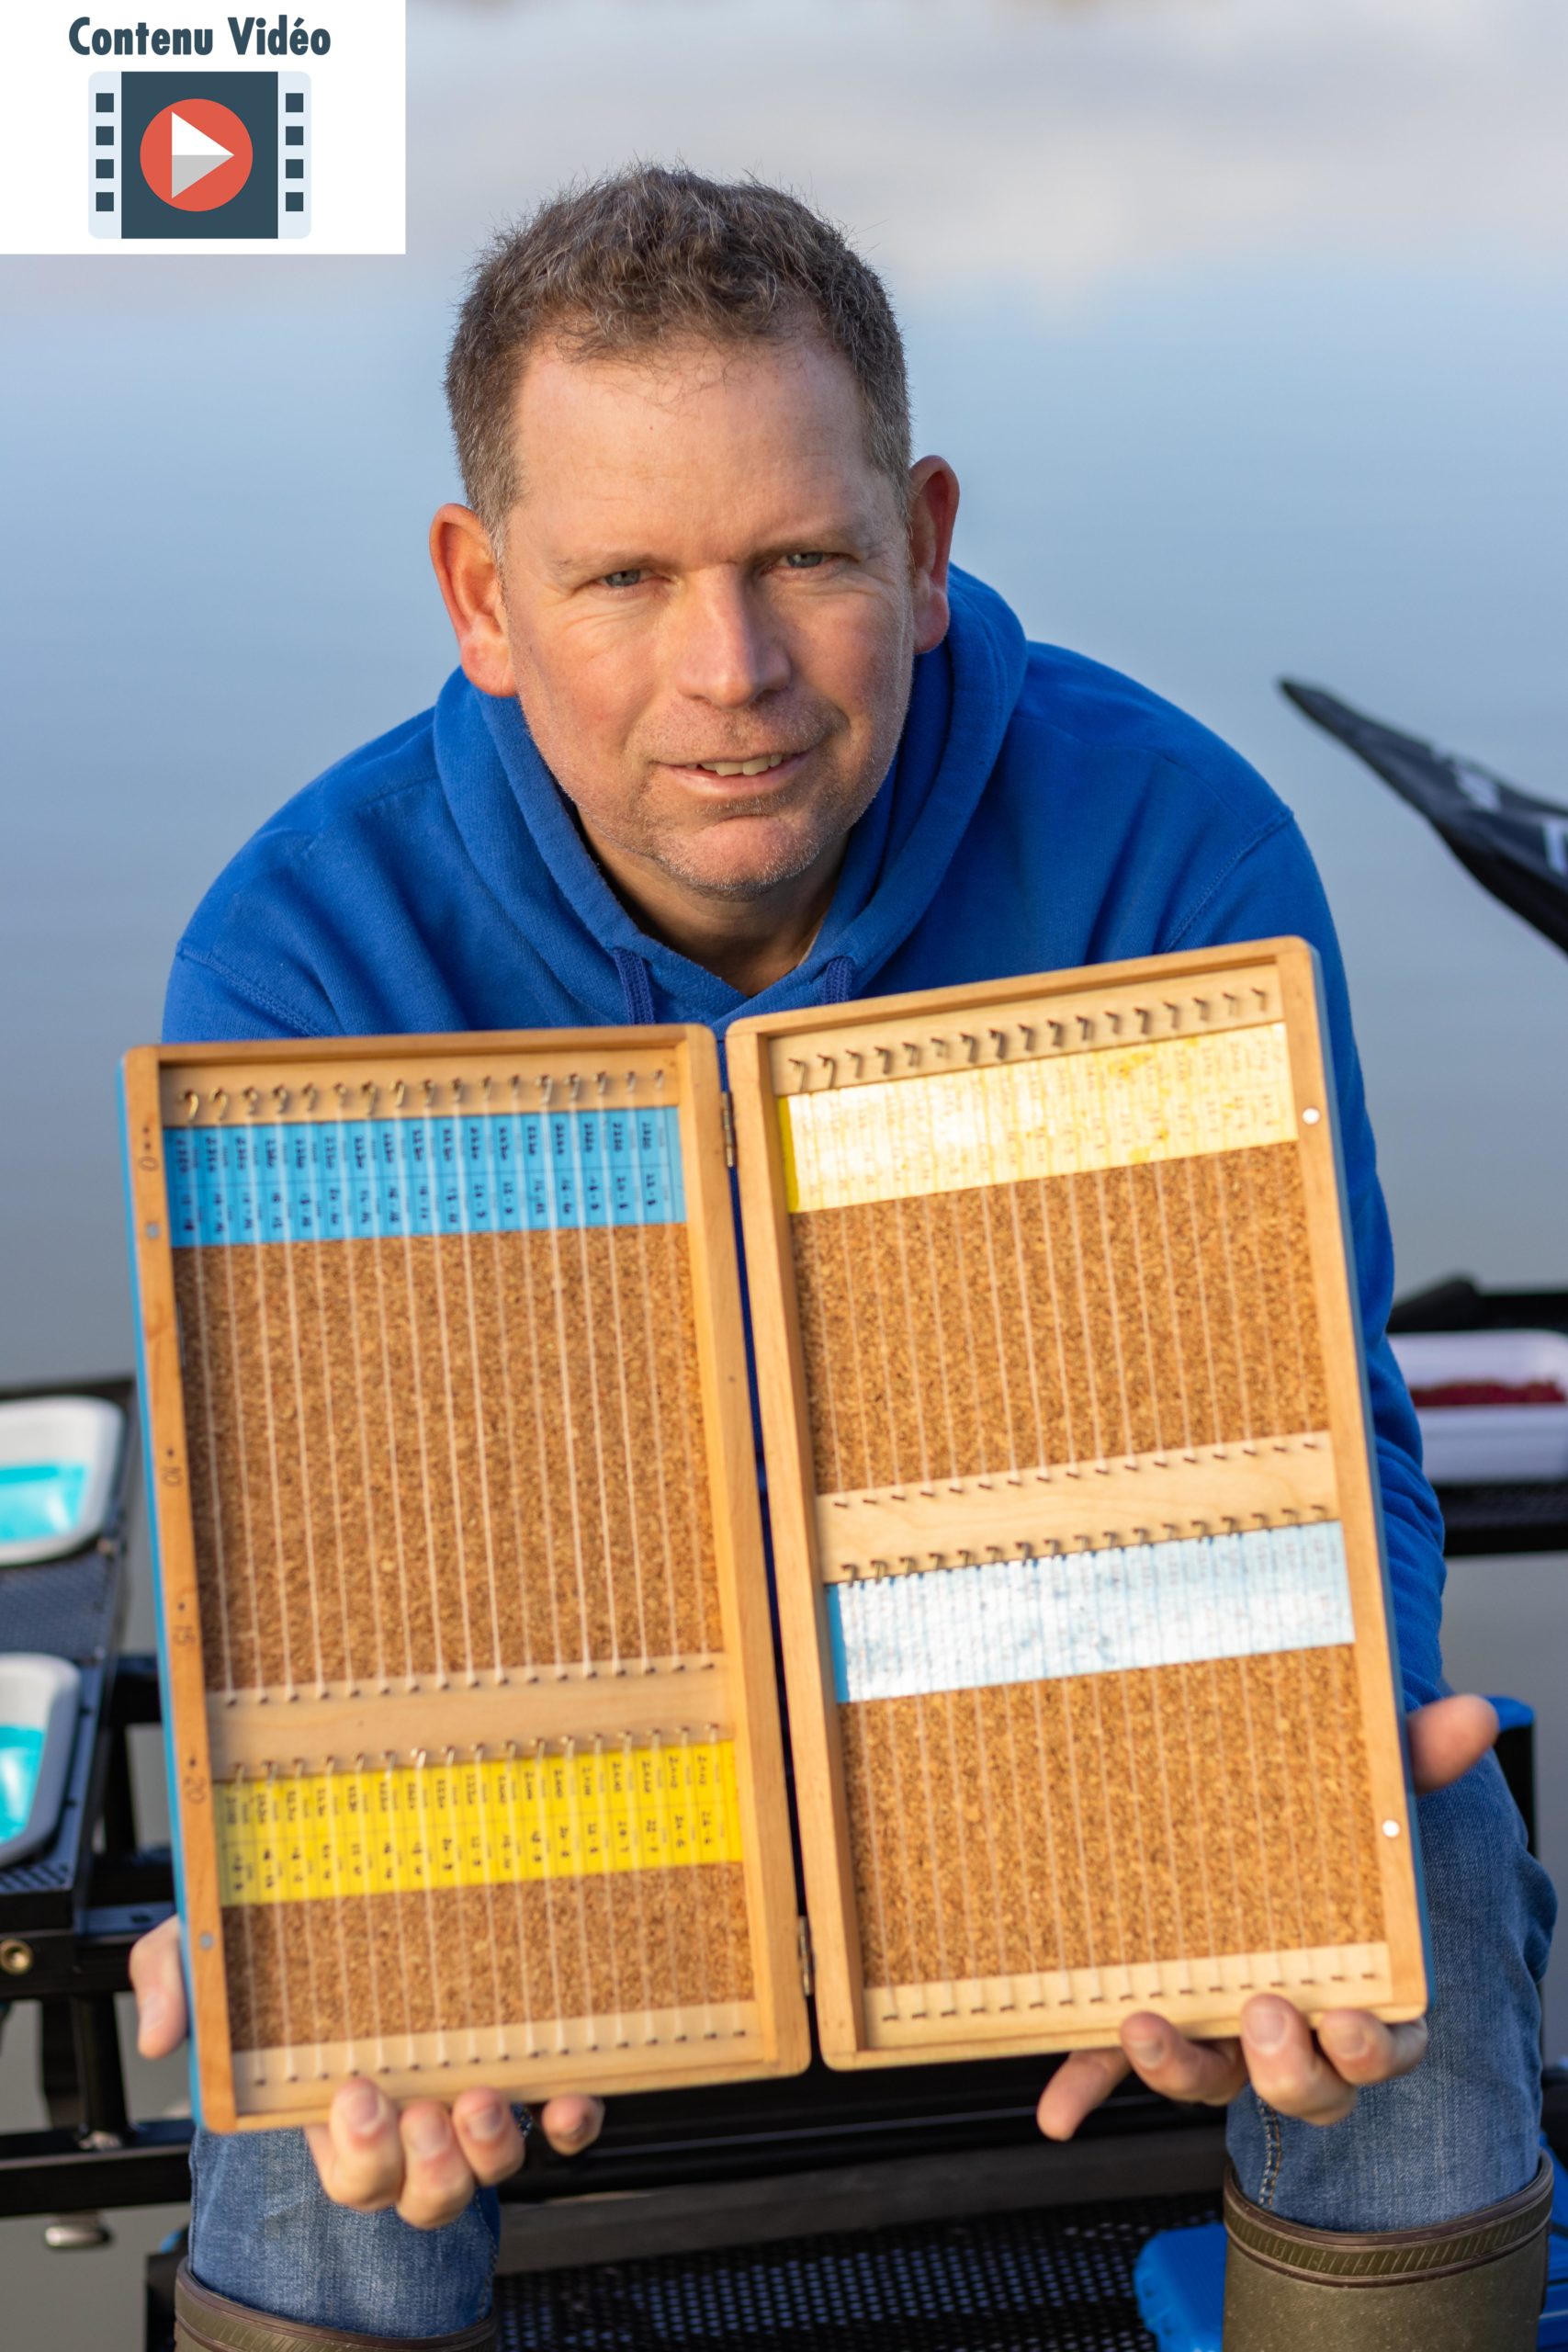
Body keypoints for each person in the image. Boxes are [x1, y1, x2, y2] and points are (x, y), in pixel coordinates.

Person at [130, 167, 1555, 2351]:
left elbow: (1318, 1427)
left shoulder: (1170, 847)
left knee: (1428, 1828)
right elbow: (315, 1587)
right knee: (281, 1991)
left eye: (802, 556)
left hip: (1058, 1712)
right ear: (482, 595)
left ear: (923, 540)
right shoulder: (308, 955)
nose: (733, 673)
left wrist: (1275, 1806)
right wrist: (318, 1917)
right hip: (585, 1759)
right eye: (623, 577)